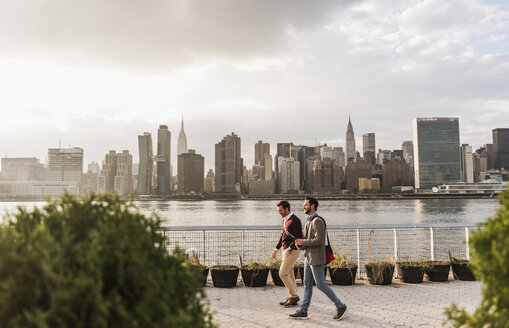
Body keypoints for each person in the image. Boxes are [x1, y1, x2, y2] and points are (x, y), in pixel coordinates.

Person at [290, 197, 347, 320]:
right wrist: (301, 245)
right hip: (308, 257)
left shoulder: (317, 221)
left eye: (305, 205)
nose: (303, 207)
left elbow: (320, 240)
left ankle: (340, 306)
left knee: (320, 284)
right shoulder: (309, 221)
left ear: (312, 206)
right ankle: (303, 311)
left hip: (316, 258)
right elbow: (309, 240)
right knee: (307, 285)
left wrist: (303, 242)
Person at [272, 200, 303, 307]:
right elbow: (283, 236)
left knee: (282, 273)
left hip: (292, 251)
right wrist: (276, 249)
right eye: (278, 210)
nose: (279, 212)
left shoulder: (295, 220)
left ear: (287, 209)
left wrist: (290, 247)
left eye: (280, 210)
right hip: (285, 250)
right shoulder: (285, 220)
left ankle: (294, 296)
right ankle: (293, 296)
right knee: (290, 274)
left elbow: (299, 238)